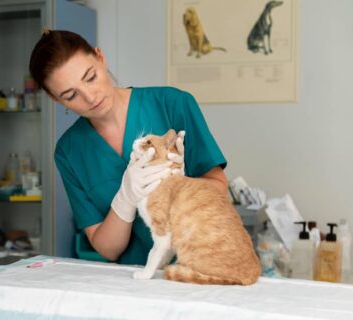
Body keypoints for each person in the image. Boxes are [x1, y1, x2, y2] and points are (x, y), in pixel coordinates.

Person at [29, 29, 228, 265]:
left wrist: (179, 186)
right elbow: (108, 250)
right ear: (56, 99)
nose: (90, 97)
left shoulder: (172, 104)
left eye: (90, 77)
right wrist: (125, 198)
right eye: (71, 95)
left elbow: (219, 190)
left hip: (198, 267)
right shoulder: (69, 151)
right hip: (132, 280)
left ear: (100, 57)